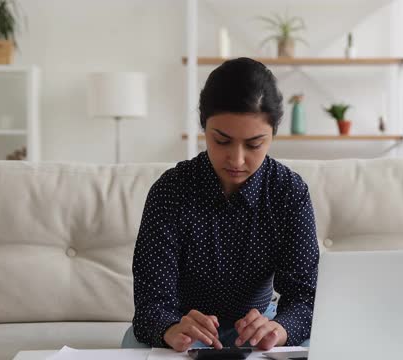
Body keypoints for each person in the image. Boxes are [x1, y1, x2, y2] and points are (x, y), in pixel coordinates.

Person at [121, 57, 319, 352]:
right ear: (204, 126)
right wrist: (170, 328)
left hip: (259, 326)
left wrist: (279, 328)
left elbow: (304, 297)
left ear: (273, 133)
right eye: (222, 141)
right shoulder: (170, 191)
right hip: (183, 325)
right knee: (133, 346)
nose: (237, 160)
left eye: (254, 144)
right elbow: (151, 304)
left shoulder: (289, 193)